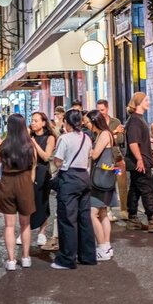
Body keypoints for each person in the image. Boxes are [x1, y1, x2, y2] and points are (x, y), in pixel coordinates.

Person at [51, 109, 96, 269]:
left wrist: (60, 162)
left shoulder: (64, 139)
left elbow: (57, 161)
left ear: (67, 122)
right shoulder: (87, 138)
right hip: (84, 177)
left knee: (68, 219)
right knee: (84, 218)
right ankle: (88, 255)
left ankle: (67, 258)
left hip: (69, 179)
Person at [0, 114, 36, 271]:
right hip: (24, 183)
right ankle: (25, 258)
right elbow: (34, 166)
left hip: (7, 184)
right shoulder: (30, 145)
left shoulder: (3, 145)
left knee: (9, 225)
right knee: (25, 224)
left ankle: (11, 260)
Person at [124, 93, 153, 233]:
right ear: (138, 103)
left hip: (139, 160)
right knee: (147, 189)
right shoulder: (135, 121)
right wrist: (139, 159)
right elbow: (133, 142)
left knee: (135, 189)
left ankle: (133, 218)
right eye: (145, 100)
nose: (148, 102)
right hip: (140, 161)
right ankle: (152, 219)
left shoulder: (137, 119)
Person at [85, 110, 116, 261]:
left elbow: (95, 155)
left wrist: (87, 149)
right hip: (105, 178)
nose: (86, 125)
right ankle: (107, 247)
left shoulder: (104, 134)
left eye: (88, 123)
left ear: (94, 121)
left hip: (100, 179)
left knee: (92, 213)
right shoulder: (104, 134)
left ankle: (103, 247)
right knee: (103, 213)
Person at [29, 112, 56, 247]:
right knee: (29, 201)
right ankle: (26, 230)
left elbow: (46, 156)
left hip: (43, 171)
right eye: (32, 120)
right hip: (30, 171)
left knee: (42, 202)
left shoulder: (49, 137)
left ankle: (42, 232)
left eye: (36, 120)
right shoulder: (29, 135)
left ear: (43, 123)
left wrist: (34, 143)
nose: (33, 123)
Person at [96, 99, 126, 221]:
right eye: (98, 110)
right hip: (104, 161)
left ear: (107, 109)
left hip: (116, 158)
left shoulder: (115, 121)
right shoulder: (96, 123)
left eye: (102, 110)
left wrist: (111, 136)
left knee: (121, 183)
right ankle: (107, 210)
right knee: (107, 184)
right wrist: (113, 133)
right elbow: (97, 140)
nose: (100, 113)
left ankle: (124, 210)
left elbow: (119, 140)